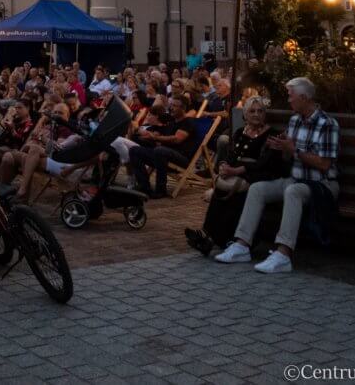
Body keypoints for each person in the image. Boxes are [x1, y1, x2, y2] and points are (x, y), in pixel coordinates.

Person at [214, 76, 339, 273]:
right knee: (257, 189)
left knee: (293, 192)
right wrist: (281, 148)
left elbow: (324, 164)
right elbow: (288, 158)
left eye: (291, 96)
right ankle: (242, 245)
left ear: (304, 97)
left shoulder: (327, 124)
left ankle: (283, 253)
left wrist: (294, 150)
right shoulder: (295, 120)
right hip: (295, 179)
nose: (288, 100)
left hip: (321, 184)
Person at [186, 95, 287, 256]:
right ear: (245, 114)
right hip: (239, 172)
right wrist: (224, 165)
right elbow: (231, 155)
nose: (256, 114)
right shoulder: (241, 132)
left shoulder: (271, 134)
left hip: (259, 173)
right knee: (221, 187)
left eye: (260, 111)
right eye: (252, 111)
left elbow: (264, 162)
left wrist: (237, 170)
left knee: (237, 191)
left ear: (265, 114)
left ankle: (229, 239)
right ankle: (209, 235)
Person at [127, 96, 198, 198]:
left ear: (183, 108)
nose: (171, 108)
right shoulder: (172, 122)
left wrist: (156, 138)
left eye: (174, 106)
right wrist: (149, 136)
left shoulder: (188, 122)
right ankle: (144, 186)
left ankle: (161, 190)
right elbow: (161, 135)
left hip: (182, 158)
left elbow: (177, 139)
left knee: (160, 150)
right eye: (171, 105)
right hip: (163, 155)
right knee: (134, 150)